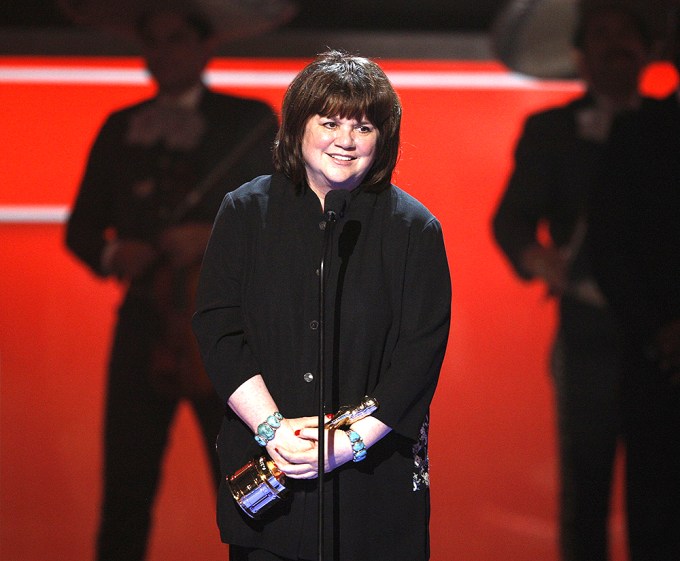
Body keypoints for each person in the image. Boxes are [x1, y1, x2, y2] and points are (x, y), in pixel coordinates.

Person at [192, 49, 451, 561]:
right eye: (329, 121)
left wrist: (349, 443)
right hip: (273, 475)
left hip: (372, 485)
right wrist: (273, 428)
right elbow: (218, 328)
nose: (346, 141)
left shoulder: (413, 229)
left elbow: (419, 355)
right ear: (297, 127)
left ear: (384, 138)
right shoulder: (245, 212)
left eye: (363, 127)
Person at [65, 8, 279, 561]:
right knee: (126, 486)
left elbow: (287, 218)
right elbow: (82, 229)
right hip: (145, 324)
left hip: (230, 332)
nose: (163, 53)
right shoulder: (120, 126)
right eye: (152, 42)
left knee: (250, 490)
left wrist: (212, 237)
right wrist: (117, 251)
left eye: (177, 40)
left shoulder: (249, 120)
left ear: (206, 47)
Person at [491, 4, 655, 561]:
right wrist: (540, 259)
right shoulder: (552, 130)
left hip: (664, 335)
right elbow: (509, 221)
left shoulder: (669, 125)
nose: (616, 44)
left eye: (627, 33)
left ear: (648, 51)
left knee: (663, 494)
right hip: (588, 333)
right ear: (580, 57)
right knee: (586, 493)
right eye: (602, 36)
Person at [586, 6, 680, 559]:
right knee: (656, 517)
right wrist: (662, 330)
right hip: (657, 364)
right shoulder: (641, 131)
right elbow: (610, 248)